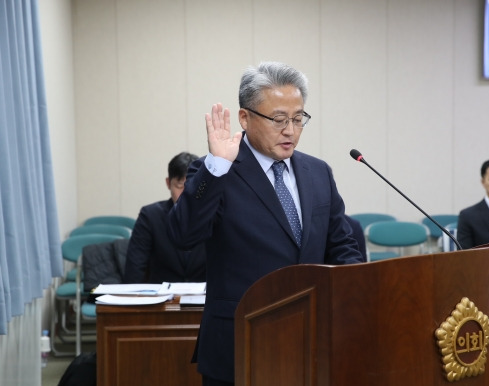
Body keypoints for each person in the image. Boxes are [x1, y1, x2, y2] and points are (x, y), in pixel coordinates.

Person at [168, 62, 364, 385]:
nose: (290, 130)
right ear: (245, 118)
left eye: (298, 118)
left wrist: (357, 292)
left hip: (312, 344)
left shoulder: (318, 173)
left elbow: (342, 246)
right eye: (278, 119)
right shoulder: (217, 170)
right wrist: (216, 166)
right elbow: (183, 234)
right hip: (240, 344)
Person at [123, 152, 206, 284]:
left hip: (204, 299)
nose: (185, 194)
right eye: (179, 186)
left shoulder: (213, 216)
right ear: (168, 183)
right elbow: (135, 267)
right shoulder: (150, 216)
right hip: (161, 299)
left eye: (191, 187)